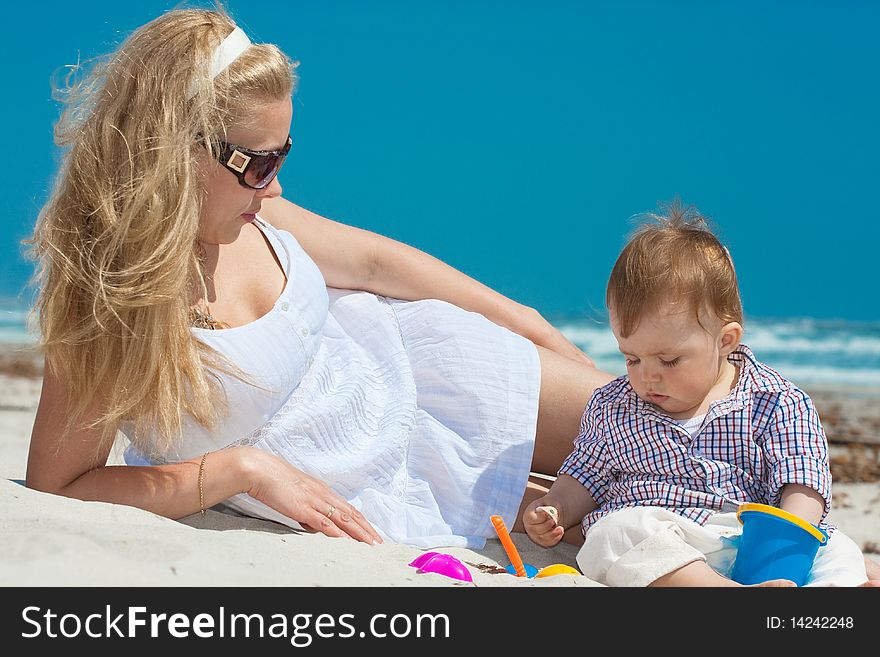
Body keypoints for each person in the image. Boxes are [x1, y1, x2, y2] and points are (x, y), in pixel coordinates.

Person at [23, 9, 613, 550]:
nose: (274, 185)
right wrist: (238, 470)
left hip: (435, 370)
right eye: (258, 163)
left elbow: (377, 265)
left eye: (282, 157)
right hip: (373, 489)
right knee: (639, 521)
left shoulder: (254, 209)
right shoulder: (107, 309)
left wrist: (523, 321)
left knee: (682, 426)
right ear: (174, 153)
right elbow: (61, 486)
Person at [523, 202, 880, 586]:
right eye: (631, 358)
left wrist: (787, 539)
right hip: (666, 537)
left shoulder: (775, 401)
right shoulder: (613, 406)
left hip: (753, 537)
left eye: (669, 360)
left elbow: (804, 481)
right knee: (614, 532)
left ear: (724, 341)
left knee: (837, 548)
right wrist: (557, 505)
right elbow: (586, 475)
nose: (647, 377)